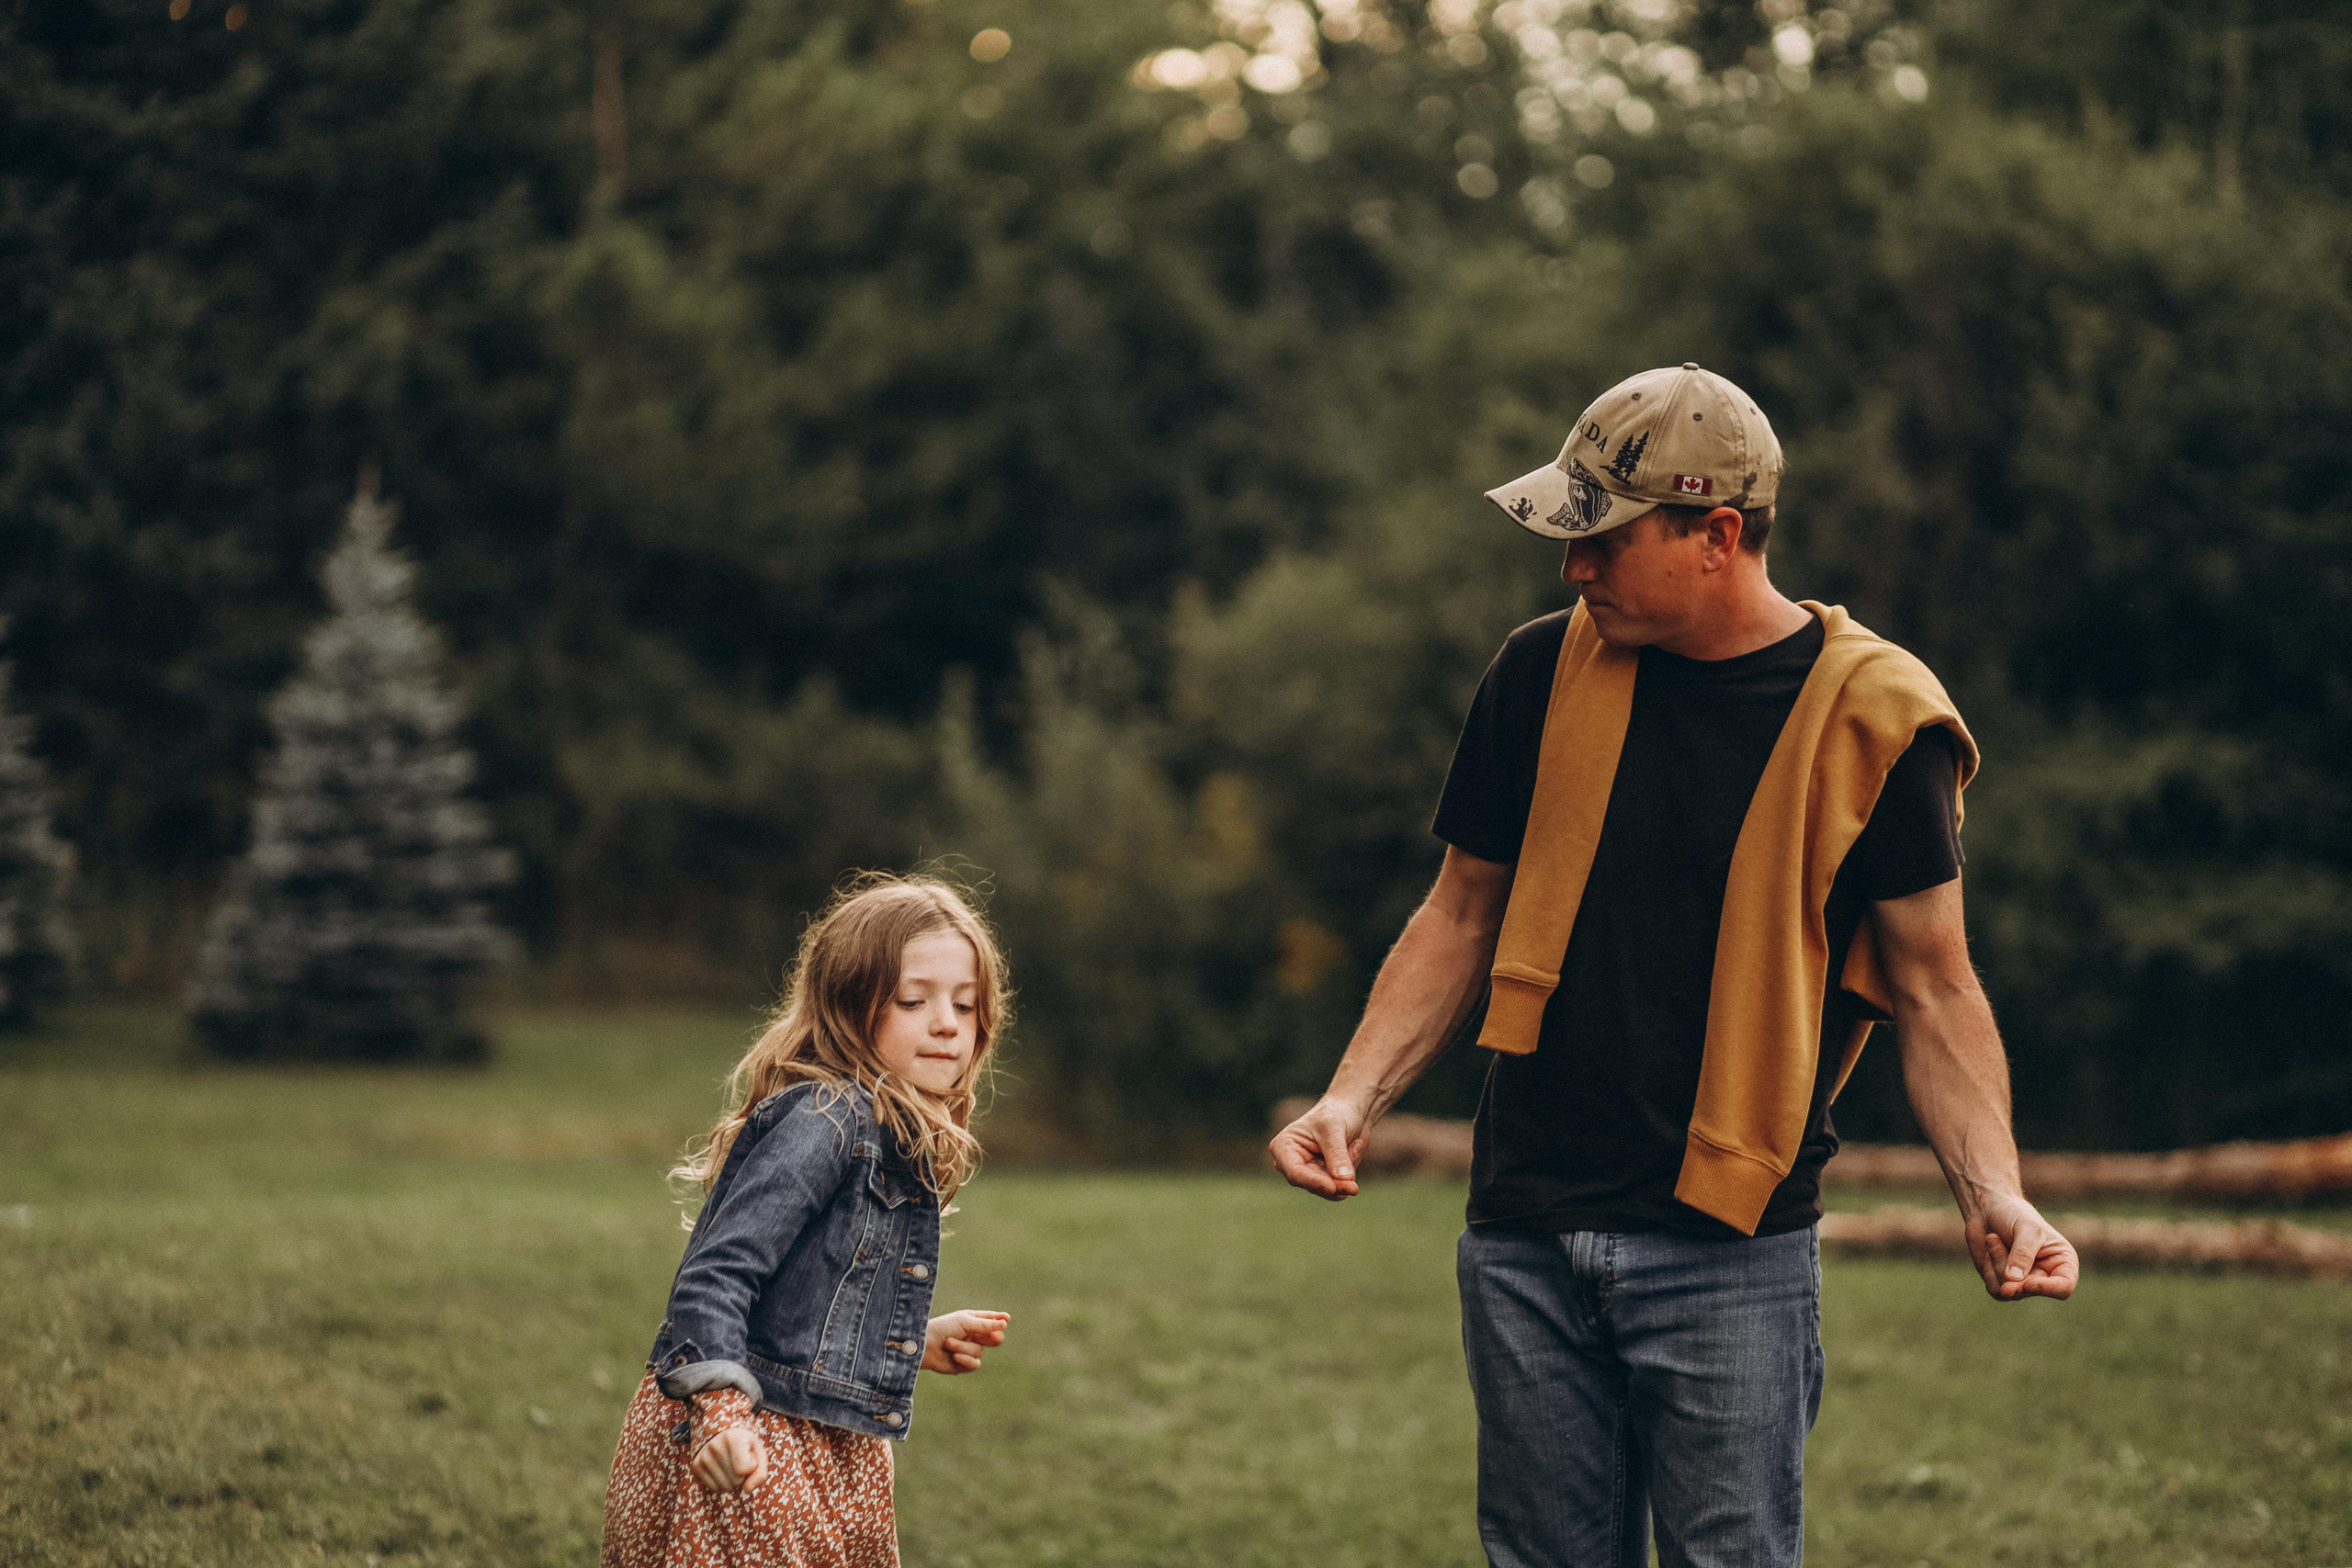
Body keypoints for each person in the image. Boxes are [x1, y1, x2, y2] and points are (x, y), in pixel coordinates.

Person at [1270, 364, 2079, 1568]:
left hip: (1731, 1251)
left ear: (1716, 534)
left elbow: (1933, 985)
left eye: (1602, 537)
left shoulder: (1879, 719)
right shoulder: (1536, 674)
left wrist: (1994, 1192)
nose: (1573, 567)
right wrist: (1351, 1095)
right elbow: (1460, 911)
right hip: (1526, 1230)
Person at [602, 874, 1014, 1568]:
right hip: (756, 1442)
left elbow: (815, 1292)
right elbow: (717, 1275)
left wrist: (910, 1336)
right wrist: (722, 1413)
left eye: (966, 1005)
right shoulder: (825, 1119)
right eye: (914, 999)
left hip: (827, 1439)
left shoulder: (885, 1130)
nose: (948, 1022)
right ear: (852, 1007)